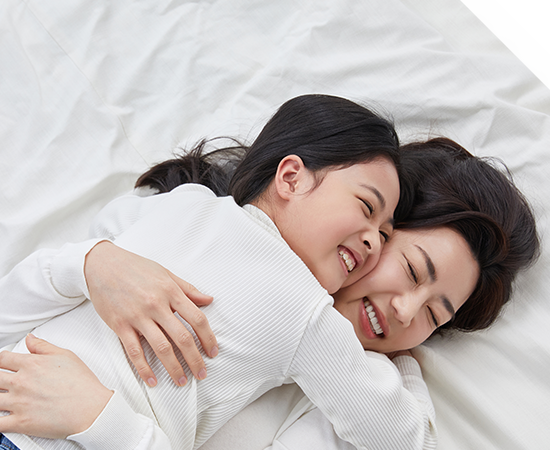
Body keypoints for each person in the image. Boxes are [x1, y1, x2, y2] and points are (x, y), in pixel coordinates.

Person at [0, 98, 539, 450]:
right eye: (410, 269)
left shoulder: (313, 331)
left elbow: (405, 440)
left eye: (434, 317)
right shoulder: (188, 208)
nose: (404, 311)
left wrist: (99, 419)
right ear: (292, 177)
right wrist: (91, 264)